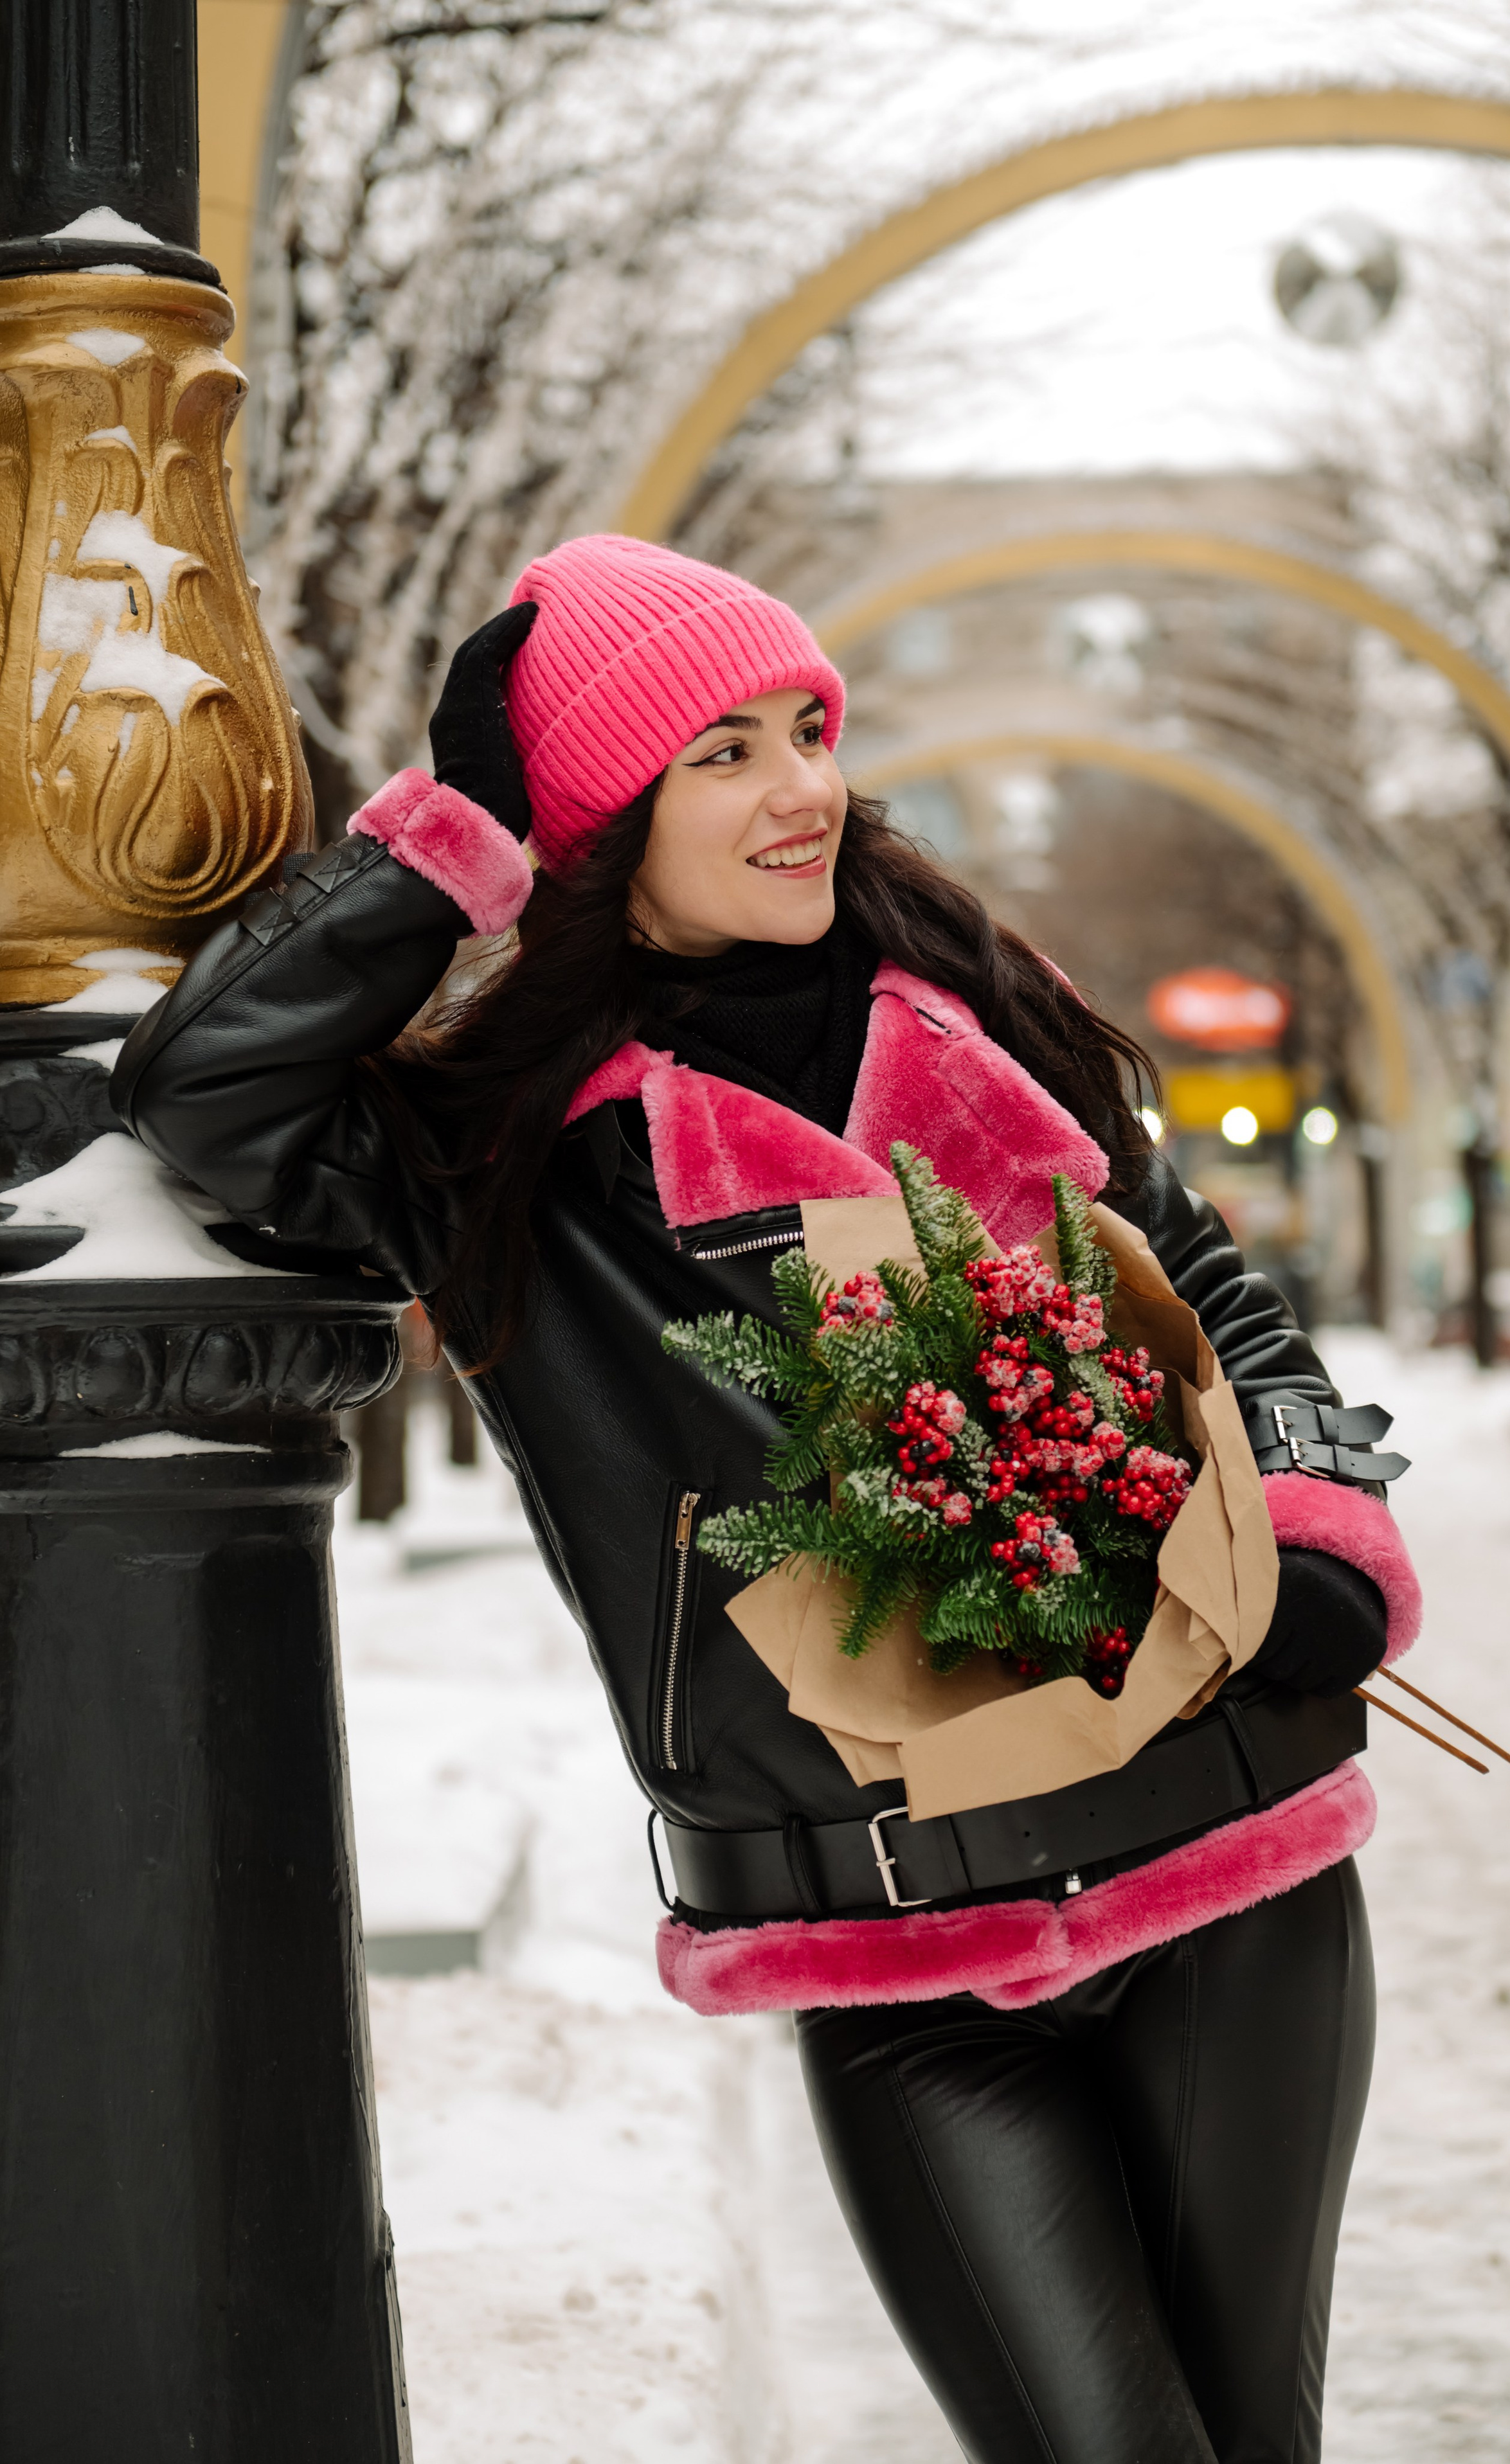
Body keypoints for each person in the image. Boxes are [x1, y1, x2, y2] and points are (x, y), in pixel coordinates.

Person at [114, 534, 1420, 2464]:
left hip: (1227, 1866)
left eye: (807, 728)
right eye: (719, 753)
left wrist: (1319, 1528)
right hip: (897, 1949)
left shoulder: (982, 1005)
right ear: (596, 817)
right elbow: (207, 1090)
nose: (802, 788)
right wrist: (455, 835)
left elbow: (1212, 1284)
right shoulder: (504, 1151)